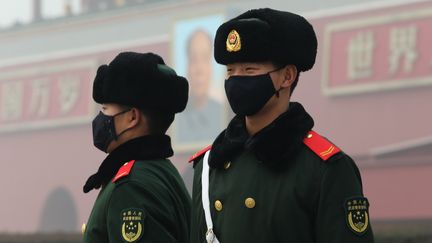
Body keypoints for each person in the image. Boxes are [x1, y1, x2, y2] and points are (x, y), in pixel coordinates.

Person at [189, 8, 375, 243]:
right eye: (230, 71)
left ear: (287, 76)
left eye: (249, 70)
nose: (236, 80)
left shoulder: (325, 169)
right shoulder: (209, 166)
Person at [82, 52, 191, 243]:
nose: (100, 118)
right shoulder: (159, 170)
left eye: (105, 110)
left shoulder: (131, 187)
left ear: (132, 117)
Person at [176, 29, 224, 144]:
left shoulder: (222, 112)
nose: (199, 70)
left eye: (205, 58)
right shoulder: (177, 118)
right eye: (193, 60)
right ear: (187, 66)